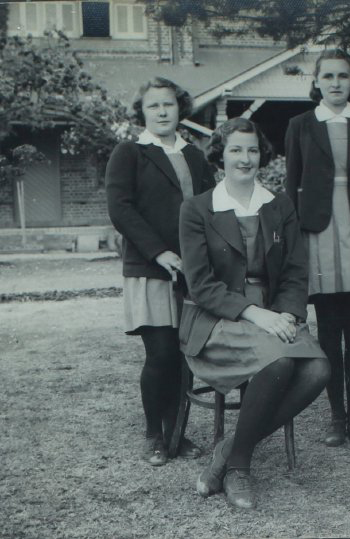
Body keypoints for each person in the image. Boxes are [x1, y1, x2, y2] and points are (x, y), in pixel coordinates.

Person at [179, 118, 330, 510]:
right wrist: (256, 315)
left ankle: (228, 449)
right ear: (220, 156)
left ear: (261, 154)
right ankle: (239, 469)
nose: (245, 159)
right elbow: (200, 285)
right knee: (278, 363)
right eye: (235, 150)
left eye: (252, 150)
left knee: (317, 370)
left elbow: (296, 271)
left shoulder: (278, 205)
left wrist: (290, 314)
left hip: (275, 311)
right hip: (217, 317)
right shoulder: (197, 209)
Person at [284, 49, 350, 447]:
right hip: (318, 231)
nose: (335, 83)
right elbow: (291, 185)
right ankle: (335, 416)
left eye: (343, 76)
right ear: (316, 81)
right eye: (327, 76)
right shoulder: (300, 125)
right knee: (328, 325)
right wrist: (293, 243)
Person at [106, 77, 215, 466]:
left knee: (185, 354)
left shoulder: (196, 156)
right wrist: (159, 252)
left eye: (168, 105)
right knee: (161, 353)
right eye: (154, 106)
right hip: (151, 269)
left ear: (179, 108)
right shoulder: (130, 152)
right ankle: (155, 434)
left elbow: (210, 208)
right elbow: (121, 209)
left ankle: (177, 434)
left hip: (192, 270)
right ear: (143, 112)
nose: (162, 112)